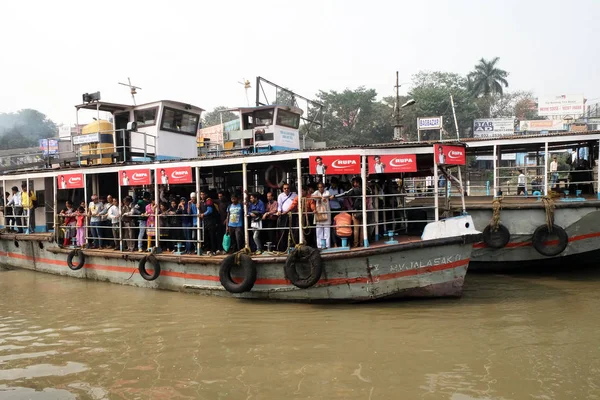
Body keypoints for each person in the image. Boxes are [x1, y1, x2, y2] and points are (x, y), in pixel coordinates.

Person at [276, 184, 297, 251]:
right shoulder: (280, 196)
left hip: (292, 215)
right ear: (283, 189)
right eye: (285, 188)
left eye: (287, 188)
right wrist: (279, 211)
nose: (286, 189)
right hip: (283, 215)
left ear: (289, 188)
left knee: (293, 231)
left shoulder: (294, 195)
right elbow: (279, 205)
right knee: (283, 232)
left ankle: (292, 247)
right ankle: (283, 248)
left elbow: (296, 204)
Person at [312, 182, 331, 249]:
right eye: (319, 187)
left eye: (321, 187)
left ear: (324, 187)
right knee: (319, 229)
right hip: (319, 212)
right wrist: (320, 197)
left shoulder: (327, 192)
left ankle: (327, 245)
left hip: (326, 212)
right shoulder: (317, 192)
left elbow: (327, 196)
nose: (320, 188)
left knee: (326, 230)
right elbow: (312, 196)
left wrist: (322, 197)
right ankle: (319, 246)